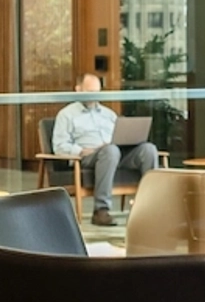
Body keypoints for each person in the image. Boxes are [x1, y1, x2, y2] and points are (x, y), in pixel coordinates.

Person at [51, 74, 158, 226]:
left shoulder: (109, 114)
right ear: (78, 89)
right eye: (90, 91)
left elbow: (119, 136)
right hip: (88, 157)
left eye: (97, 92)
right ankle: (101, 211)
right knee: (110, 151)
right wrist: (82, 150)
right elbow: (59, 146)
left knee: (148, 149)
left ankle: (151, 208)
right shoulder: (67, 115)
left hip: (116, 152)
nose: (94, 96)